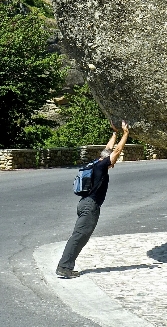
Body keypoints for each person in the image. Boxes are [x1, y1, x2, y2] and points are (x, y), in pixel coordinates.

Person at [56, 119, 131, 278]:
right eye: (113, 162)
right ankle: (64, 267)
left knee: (80, 235)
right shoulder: (102, 166)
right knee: (79, 236)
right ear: (109, 161)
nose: (114, 163)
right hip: (90, 206)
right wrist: (126, 134)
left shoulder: (96, 162)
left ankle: (66, 266)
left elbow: (109, 149)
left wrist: (115, 133)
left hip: (84, 203)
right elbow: (116, 151)